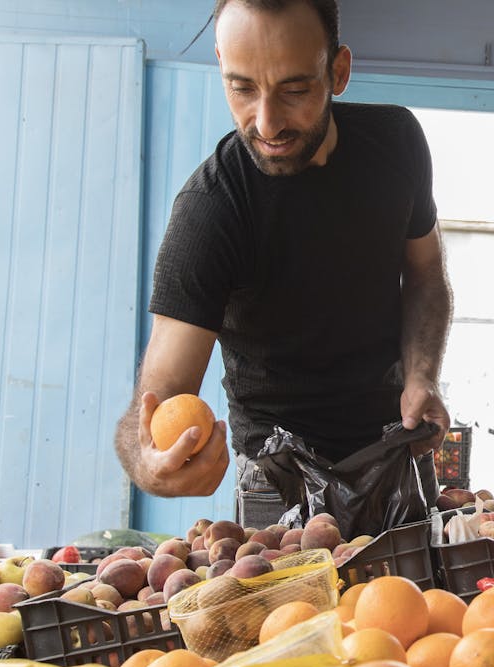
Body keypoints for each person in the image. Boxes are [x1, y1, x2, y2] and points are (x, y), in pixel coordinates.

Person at [114, 0, 453, 526]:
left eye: (294, 89)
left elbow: (427, 276)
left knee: (404, 610)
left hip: (394, 449)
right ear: (222, 62)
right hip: (276, 480)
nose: (266, 123)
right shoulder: (212, 210)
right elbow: (155, 405)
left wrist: (423, 375)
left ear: (337, 71)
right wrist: (152, 466)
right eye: (242, 88)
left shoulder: (397, 144)